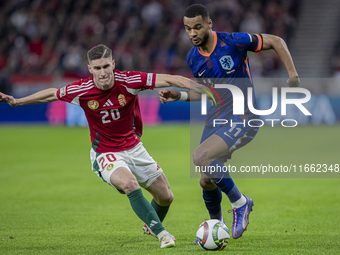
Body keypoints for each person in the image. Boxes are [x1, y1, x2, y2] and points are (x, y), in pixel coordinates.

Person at [0, 44, 199, 249]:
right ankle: (162, 234)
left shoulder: (129, 81)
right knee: (130, 183)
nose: (103, 73)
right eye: (97, 68)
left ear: (113, 64)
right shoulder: (82, 90)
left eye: (106, 66)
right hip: (105, 152)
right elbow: (52, 94)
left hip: (134, 147)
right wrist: (17, 101)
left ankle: (150, 224)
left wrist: (201, 88)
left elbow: (168, 78)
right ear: (90, 69)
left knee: (166, 197)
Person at [159, 4, 300, 241]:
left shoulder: (233, 42)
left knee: (200, 156)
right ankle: (217, 226)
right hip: (216, 119)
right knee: (206, 180)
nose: (192, 33)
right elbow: (208, 92)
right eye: (187, 29)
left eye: (197, 27)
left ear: (209, 23)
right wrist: (180, 95)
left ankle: (240, 203)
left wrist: (292, 74)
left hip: (244, 116)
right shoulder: (193, 57)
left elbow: (276, 41)